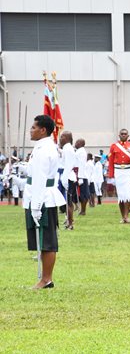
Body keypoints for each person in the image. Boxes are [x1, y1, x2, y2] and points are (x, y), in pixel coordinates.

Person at [24, 115, 66, 289]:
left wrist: (36, 206)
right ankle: (45, 279)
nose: (31, 130)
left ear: (43, 130)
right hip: (37, 195)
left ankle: (46, 279)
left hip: (42, 199)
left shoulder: (44, 149)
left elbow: (41, 178)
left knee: (46, 240)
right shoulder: (42, 146)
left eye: (34, 127)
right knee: (41, 240)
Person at [107, 128, 130, 223]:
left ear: (128, 136)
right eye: (122, 134)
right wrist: (111, 175)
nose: (123, 135)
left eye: (125, 134)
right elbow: (111, 161)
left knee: (128, 194)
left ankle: (126, 216)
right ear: (119, 135)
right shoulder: (114, 146)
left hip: (128, 170)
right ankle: (122, 216)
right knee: (121, 195)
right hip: (118, 171)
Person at [59, 131, 77, 229]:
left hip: (68, 177)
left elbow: (68, 165)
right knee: (67, 201)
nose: (60, 139)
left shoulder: (68, 149)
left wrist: (64, 179)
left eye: (62, 137)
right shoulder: (66, 148)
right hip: (66, 176)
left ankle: (70, 223)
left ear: (67, 138)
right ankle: (68, 221)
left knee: (68, 202)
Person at [74, 138, 90, 215]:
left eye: (77, 142)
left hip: (82, 176)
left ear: (81, 144)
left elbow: (81, 164)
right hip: (80, 175)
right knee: (81, 194)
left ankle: (83, 211)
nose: (75, 143)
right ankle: (82, 210)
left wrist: (80, 177)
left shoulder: (81, 152)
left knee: (83, 194)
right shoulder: (79, 151)